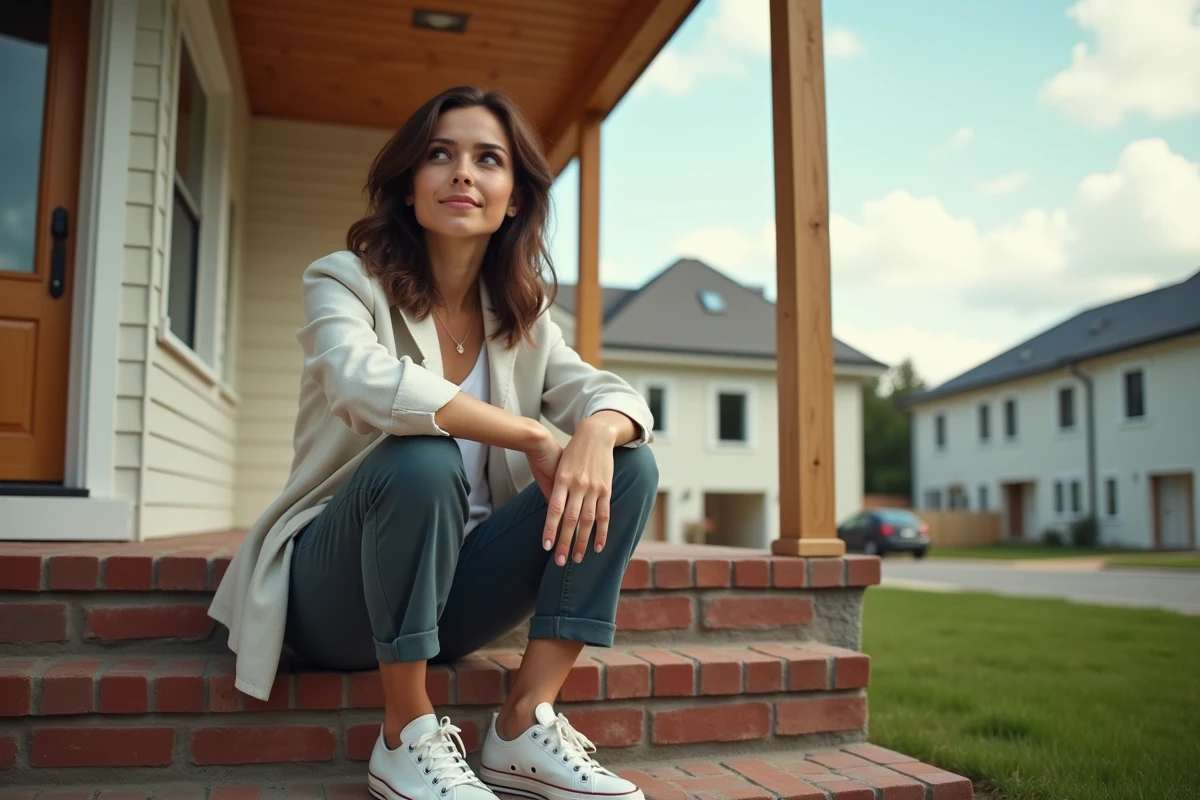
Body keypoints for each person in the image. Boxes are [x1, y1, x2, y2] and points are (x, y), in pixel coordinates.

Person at [207, 85, 658, 800]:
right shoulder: (345, 281)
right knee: (421, 457)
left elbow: (610, 394)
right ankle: (404, 732)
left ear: (512, 197)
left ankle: (522, 722)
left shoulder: (524, 317)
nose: (463, 174)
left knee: (627, 465)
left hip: (458, 593)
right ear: (408, 184)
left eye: (488, 160)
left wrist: (598, 431)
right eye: (440, 155)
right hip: (338, 594)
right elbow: (360, 383)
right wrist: (530, 432)